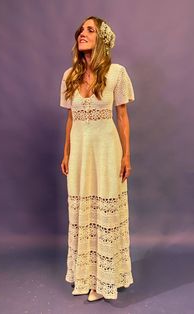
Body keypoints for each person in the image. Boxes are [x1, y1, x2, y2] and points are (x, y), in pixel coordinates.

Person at [60, 16, 135, 301]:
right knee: (83, 210)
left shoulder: (117, 72)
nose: (82, 33)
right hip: (80, 151)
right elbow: (70, 119)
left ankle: (104, 281)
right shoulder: (69, 76)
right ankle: (84, 275)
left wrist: (127, 155)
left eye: (90, 30)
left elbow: (123, 118)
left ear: (102, 39)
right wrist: (66, 151)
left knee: (105, 210)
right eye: (81, 29)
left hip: (106, 150)